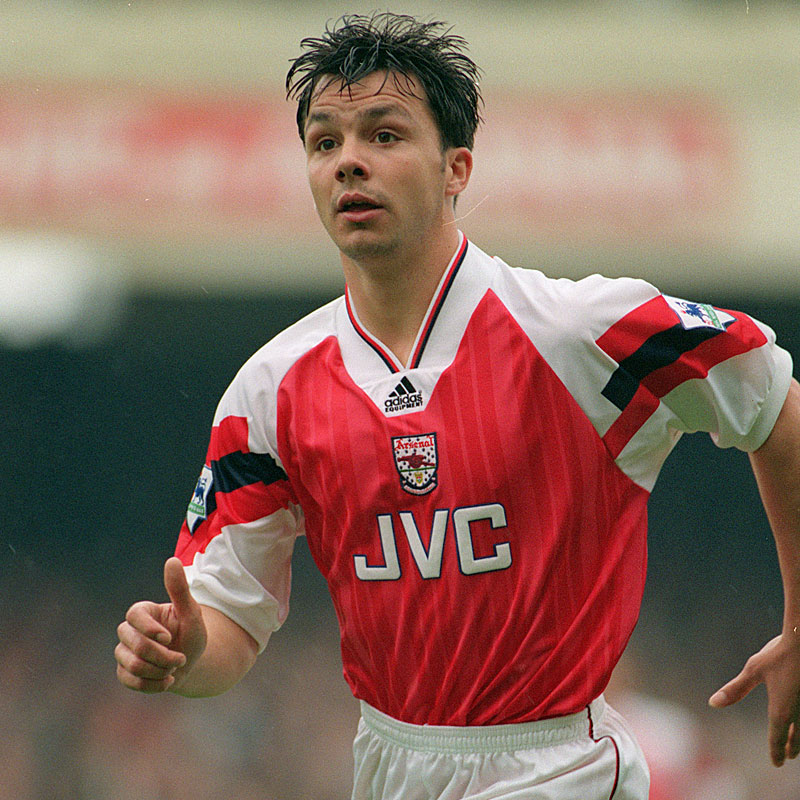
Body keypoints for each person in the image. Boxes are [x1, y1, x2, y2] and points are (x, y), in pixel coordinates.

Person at [115, 12, 800, 799]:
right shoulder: (270, 392)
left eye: (385, 135)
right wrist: (184, 652)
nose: (349, 162)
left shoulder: (578, 333)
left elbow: (773, 400)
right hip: (387, 765)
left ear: (457, 168)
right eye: (325, 142)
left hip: (560, 766)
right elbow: (228, 628)